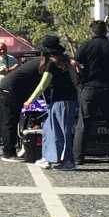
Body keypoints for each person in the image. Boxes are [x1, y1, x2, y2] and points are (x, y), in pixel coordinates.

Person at [72, 19, 109, 167]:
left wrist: (79, 75)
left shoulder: (85, 46)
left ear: (92, 31)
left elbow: (74, 63)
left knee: (83, 124)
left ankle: (78, 157)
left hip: (89, 89)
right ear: (105, 31)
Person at [28, 35, 79, 168]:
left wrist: (30, 100)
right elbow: (75, 81)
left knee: (59, 131)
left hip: (60, 101)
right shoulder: (67, 62)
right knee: (52, 130)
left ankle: (67, 160)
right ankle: (50, 157)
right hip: (67, 100)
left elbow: (42, 85)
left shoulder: (51, 65)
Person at [0, 44, 42, 161]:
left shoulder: (37, 63)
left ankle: (11, 149)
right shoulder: (42, 65)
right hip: (10, 90)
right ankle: (8, 152)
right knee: (10, 121)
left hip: (11, 89)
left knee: (11, 121)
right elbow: (41, 86)